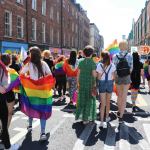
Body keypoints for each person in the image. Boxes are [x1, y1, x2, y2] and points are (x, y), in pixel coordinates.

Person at [20, 46, 52, 141]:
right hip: (42, 91)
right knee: (42, 111)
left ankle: (30, 126)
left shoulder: (29, 64)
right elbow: (50, 75)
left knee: (31, 107)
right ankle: (42, 133)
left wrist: (28, 79)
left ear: (31, 55)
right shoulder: (44, 64)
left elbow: (21, 74)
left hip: (32, 92)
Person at [75, 45, 97, 124]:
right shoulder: (93, 63)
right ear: (91, 54)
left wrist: (77, 83)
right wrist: (95, 83)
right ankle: (86, 118)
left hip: (82, 83)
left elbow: (78, 74)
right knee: (89, 100)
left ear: (84, 53)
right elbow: (94, 75)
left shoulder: (81, 62)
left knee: (82, 100)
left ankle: (82, 116)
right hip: (90, 84)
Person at [113, 41, 133, 123]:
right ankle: (121, 116)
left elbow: (114, 69)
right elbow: (131, 68)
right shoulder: (129, 55)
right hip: (126, 77)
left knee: (119, 95)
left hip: (118, 77)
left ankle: (118, 110)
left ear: (119, 47)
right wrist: (127, 74)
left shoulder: (115, 56)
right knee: (124, 96)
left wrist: (115, 77)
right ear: (126, 46)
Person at [96, 51, 116, 128]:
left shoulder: (99, 65)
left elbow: (98, 77)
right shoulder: (113, 65)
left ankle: (101, 121)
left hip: (102, 83)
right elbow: (113, 77)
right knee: (108, 102)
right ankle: (107, 117)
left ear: (102, 57)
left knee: (102, 103)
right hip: (110, 83)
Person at [1, 54, 15, 128]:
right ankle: (5, 130)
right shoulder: (13, 71)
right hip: (9, 95)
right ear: (10, 61)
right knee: (9, 113)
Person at [0, 60, 11, 149]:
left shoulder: (3, 68)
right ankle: (6, 142)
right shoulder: (3, 67)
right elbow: (6, 86)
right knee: (4, 119)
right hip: (2, 96)